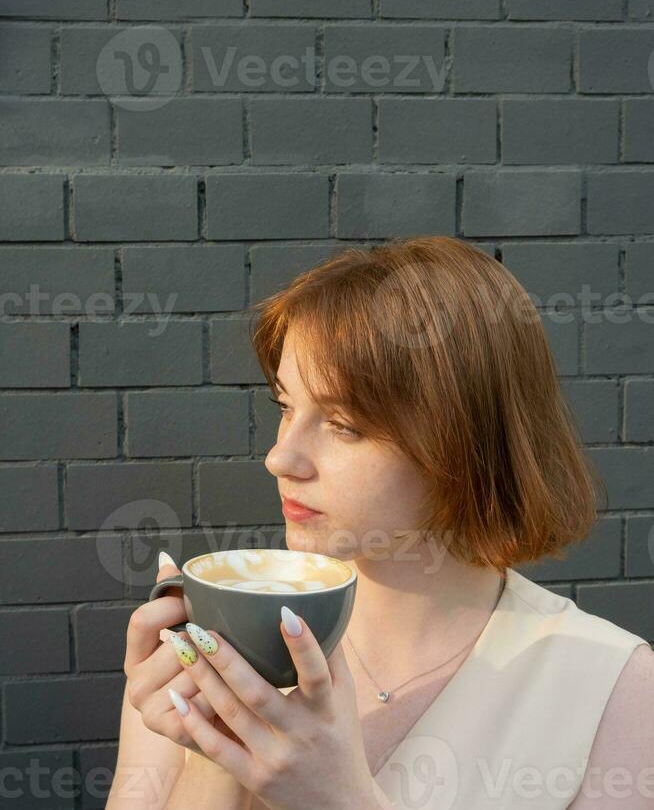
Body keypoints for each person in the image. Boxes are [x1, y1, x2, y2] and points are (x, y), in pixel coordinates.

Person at [107, 236, 654, 810]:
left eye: (344, 425)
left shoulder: (611, 689)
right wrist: (214, 748)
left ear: (464, 441)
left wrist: (338, 800)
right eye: (286, 407)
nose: (280, 458)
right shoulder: (213, 644)